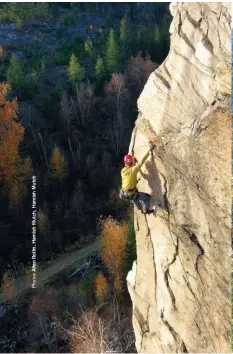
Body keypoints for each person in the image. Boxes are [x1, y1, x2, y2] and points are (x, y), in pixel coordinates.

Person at [120, 143, 156, 215]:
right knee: (147, 197)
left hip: (124, 194)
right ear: (132, 162)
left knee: (134, 196)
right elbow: (142, 161)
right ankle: (146, 210)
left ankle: (140, 208)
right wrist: (149, 150)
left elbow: (128, 179)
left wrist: (134, 182)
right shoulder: (134, 169)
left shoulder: (122, 171)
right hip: (131, 194)